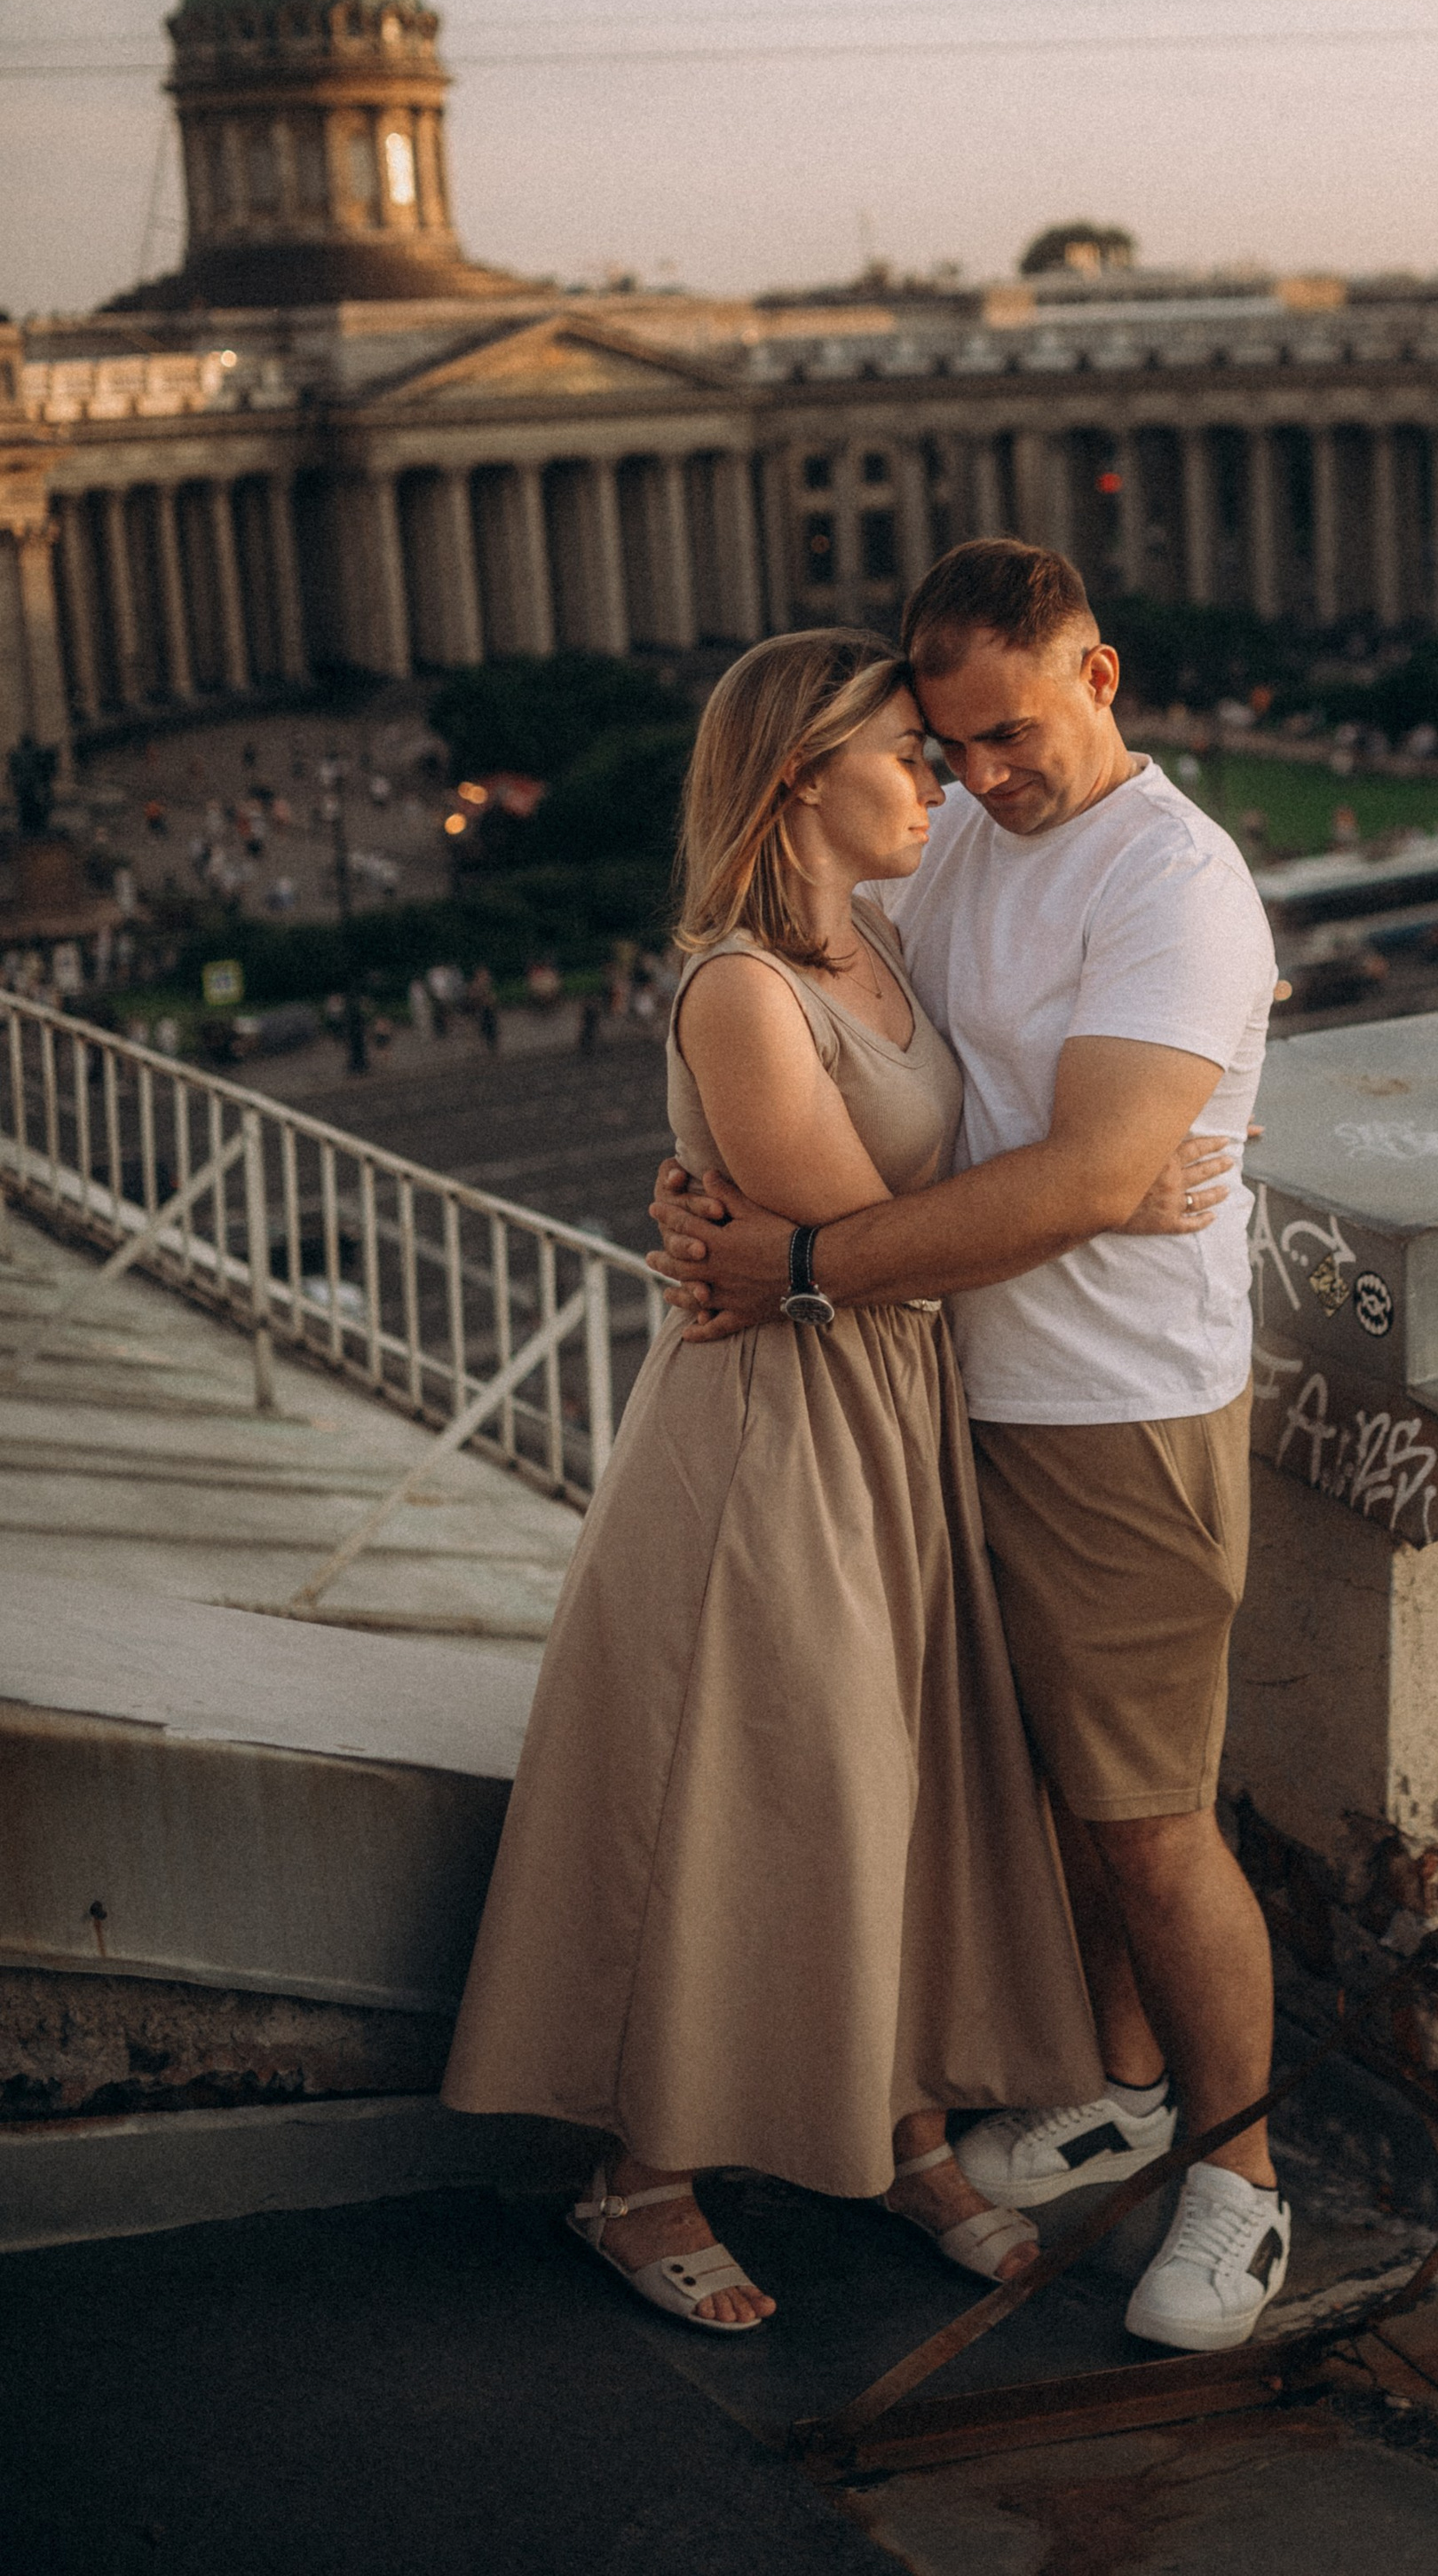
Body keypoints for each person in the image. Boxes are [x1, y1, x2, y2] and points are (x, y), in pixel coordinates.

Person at [445, 628, 1232, 2336]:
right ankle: (637, 2177)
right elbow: (845, 1246)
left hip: (888, 1413)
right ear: (804, 777)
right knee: (754, 1783)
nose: (942, 788)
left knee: (899, 1782)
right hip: (777, 1433)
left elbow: (1109, 1046)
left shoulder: (883, 935)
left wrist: (1104, 1168)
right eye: (908, 757)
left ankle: (900, 2129)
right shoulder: (742, 984)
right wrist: (1108, 1195)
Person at [652, 540, 1288, 2355]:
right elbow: (839, 1033)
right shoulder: (959, 849)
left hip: (1115, 1406)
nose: (982, 779)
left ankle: (1239, 2186)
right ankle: (1121, 2087)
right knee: (1037, 1796)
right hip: (941, 1392)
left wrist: (789, 1264)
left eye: (1008, 735)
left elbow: (1095, 1169)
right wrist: (714, 1167)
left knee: (1151, 1821)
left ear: (1100, 674)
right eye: (948, 746)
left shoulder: (1172, 874)